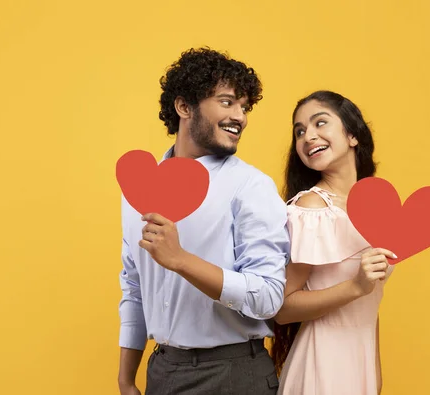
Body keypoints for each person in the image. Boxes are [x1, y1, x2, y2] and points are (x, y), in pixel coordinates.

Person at [117, 47, 290, 395]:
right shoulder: (137, 187)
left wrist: (181, 261)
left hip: (234, 375)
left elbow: (269, 296)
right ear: (184, 107)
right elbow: (133, 286)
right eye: (227, 102)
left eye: (244, 107)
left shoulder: (251, 186)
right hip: (163, 371)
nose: (240, 116)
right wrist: (125, 378)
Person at [270, 90, 396, 395]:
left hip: (360, 365)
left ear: (352, 135)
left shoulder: (378, 212)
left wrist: (375, 376)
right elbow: (282, 307)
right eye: (299, 132)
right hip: (322, 366)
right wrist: (355, 286)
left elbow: (370, 304)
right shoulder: (311, 211)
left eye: (319, 123)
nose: (308, 136)